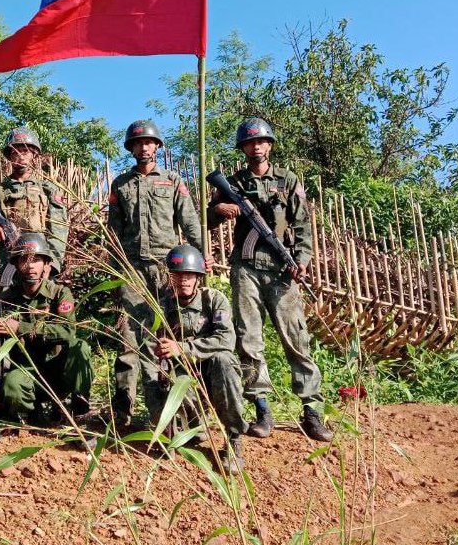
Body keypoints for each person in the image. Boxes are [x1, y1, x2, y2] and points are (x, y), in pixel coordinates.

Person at [207, 117, 332, 442]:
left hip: (281, 269)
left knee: (296, 338)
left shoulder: (288, 181)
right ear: (244, 148)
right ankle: (261, 409)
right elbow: (207, 218)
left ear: (270, 145)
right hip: (246, 267)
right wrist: (220, 210)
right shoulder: (233, 182)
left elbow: (303, 227)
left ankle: (312, 411)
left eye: (261, 141)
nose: (256, 146)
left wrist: (301, 262)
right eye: (250, 142)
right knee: (248, 339)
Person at [105, 119, 204, 430]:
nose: (144, 147)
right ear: (131, 148)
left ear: (158, 147)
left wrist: (201, 257)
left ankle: (170, 410)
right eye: (138, 143)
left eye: (149, 142)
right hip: (132, 269)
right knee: (129, 338)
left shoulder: (172, 181)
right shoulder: (120, 185)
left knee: (170, 335)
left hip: (167, 269)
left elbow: (189, 223)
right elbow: (114, 231)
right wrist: (114, 268)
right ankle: (123, 411)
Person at [135, 245, 246, 473]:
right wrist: (157, 409)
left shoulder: (214, 300)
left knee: (224, 361)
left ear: (198, 278)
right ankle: (193, 425)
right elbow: (146, 354)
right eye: (177, 275)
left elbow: (226, 340)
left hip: (212, 374)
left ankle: (233, 438)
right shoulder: (160, 306)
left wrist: (183, 348)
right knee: (178, 433)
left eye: (189, 275)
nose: (183, 280)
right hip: (180, 376)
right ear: (170, 277)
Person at [0, 232, 92, 427]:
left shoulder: (59, 293)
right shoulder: (5, 300)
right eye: (25, 260)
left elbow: (68, 332)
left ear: (46, 265)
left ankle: (77, 412)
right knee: (13, 384)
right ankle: (32, 412)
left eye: (37, 260)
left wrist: (20, 328)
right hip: (26, 372)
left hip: (57, 372)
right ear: (16, 265)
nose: (31, 266)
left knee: (80, 347)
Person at [0, 126, 70, 277]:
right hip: (6, 261)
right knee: (5, 300)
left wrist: (52, 264)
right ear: (9, 156)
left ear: (34, 155)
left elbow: (59, 231)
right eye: (15, 152)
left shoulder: (48, 190)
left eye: (25, 151)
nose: (20, 156)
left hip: (39, 260)